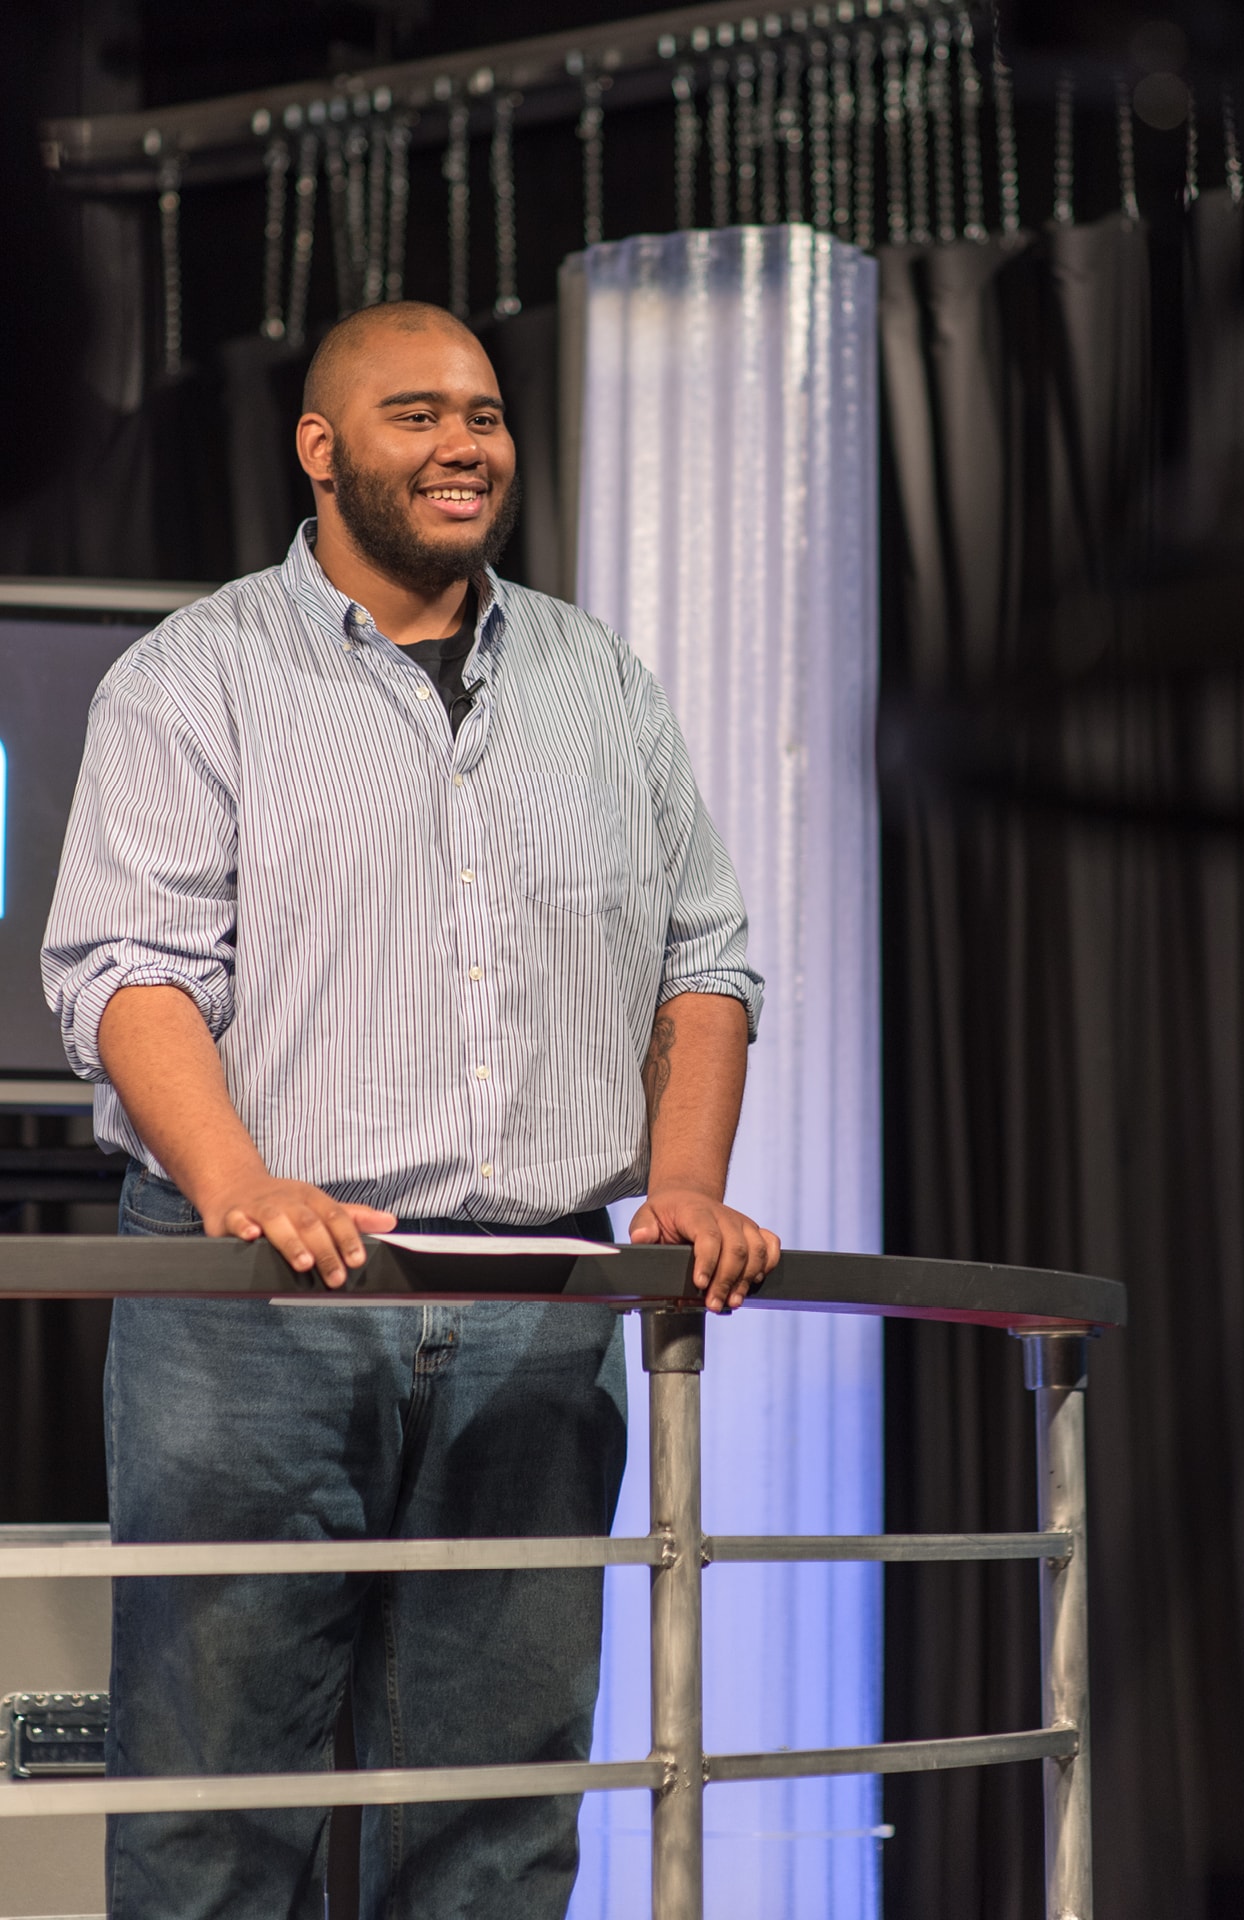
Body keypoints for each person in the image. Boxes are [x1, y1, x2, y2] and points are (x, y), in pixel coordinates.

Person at [42, 301, 777, 1920]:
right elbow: (126, 970)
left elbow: (702, 965)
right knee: (215, 1816)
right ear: (319, 450)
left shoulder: (601, 678)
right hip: (261, 1307)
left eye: (486, 415)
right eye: (417, 417)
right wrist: (242, 1184)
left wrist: (687, 1181)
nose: (465, 447)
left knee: (494, 1818)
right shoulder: (198, 675)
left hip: (540, 1298)